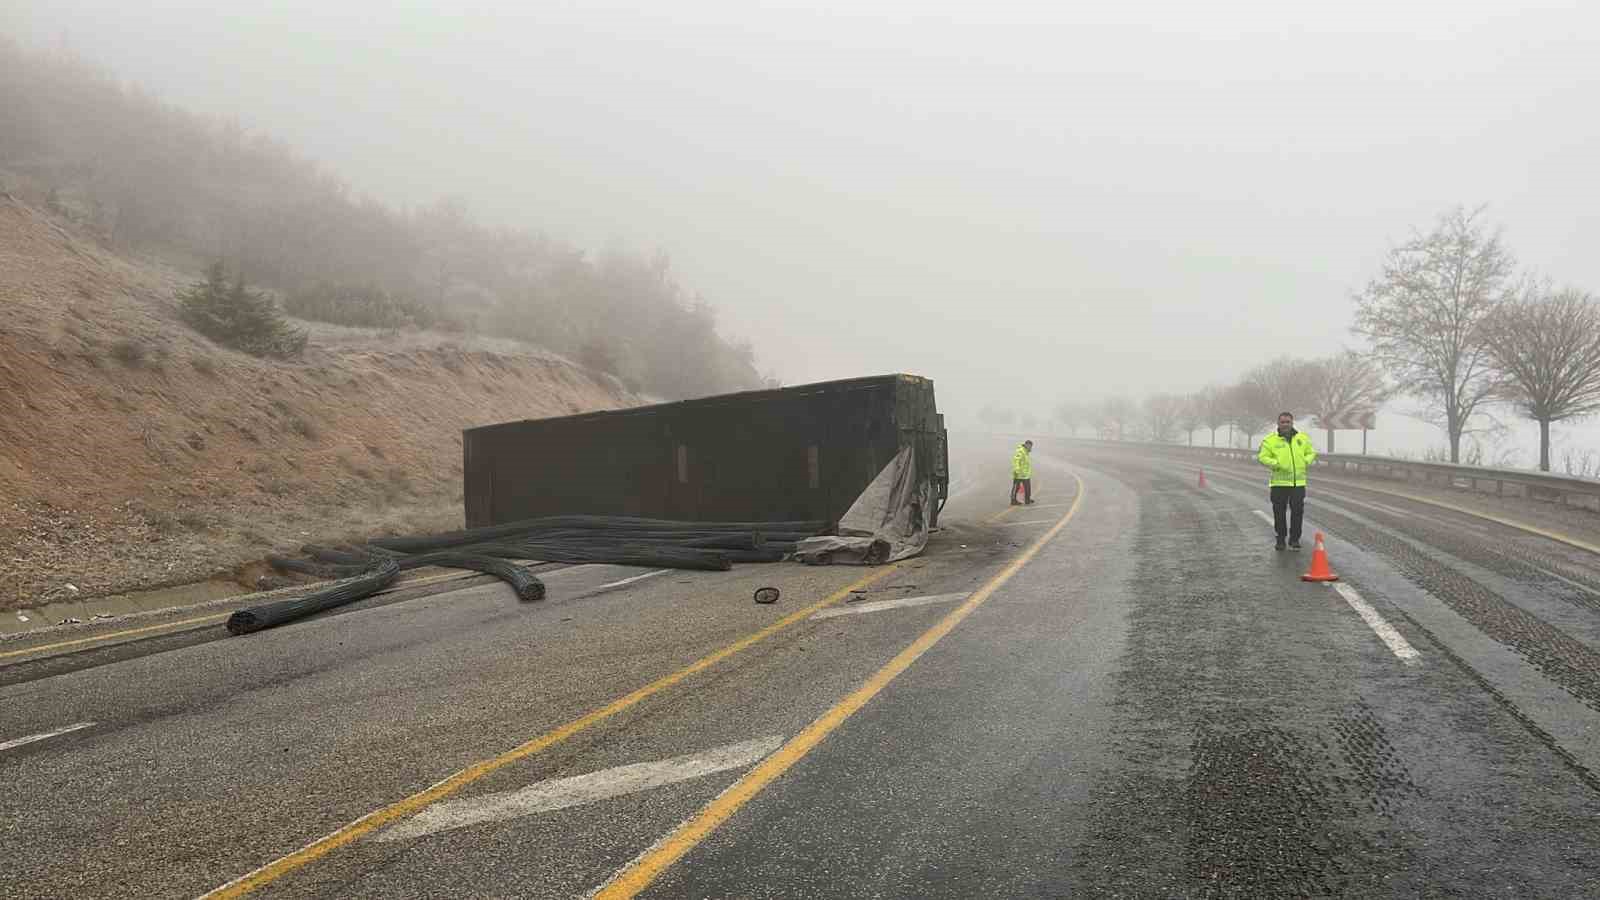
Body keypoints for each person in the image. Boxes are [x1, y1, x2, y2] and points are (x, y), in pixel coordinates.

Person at [1257, 412, 1317, 550]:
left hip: (1298, 483)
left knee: (1297, 511)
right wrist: (1276, 464)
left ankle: (1295, 539)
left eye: (1288, 422)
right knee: (1279, 512)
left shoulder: (1302, 438)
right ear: (1278, 423)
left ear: (1292, 423)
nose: (1285, 424)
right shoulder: (1270, 440)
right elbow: (1262, 457)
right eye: (1282, 422)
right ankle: (1281, 539)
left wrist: (1305, 461)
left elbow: (1311, 452)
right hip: (1279, 483)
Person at [1010, 439, 1035, 506]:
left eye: (1031, 446)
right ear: (1026, 445)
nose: (1030, 448)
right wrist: (1017, 470)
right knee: (1016, 487)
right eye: (1029, 446)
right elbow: (1016, 461)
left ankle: (1027, 499)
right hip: (1018, 474)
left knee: (1028, 488)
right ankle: (1013, 500)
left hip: (1025, 474)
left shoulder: (1026, 452)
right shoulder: (1020, 451)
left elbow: (1025, 463)